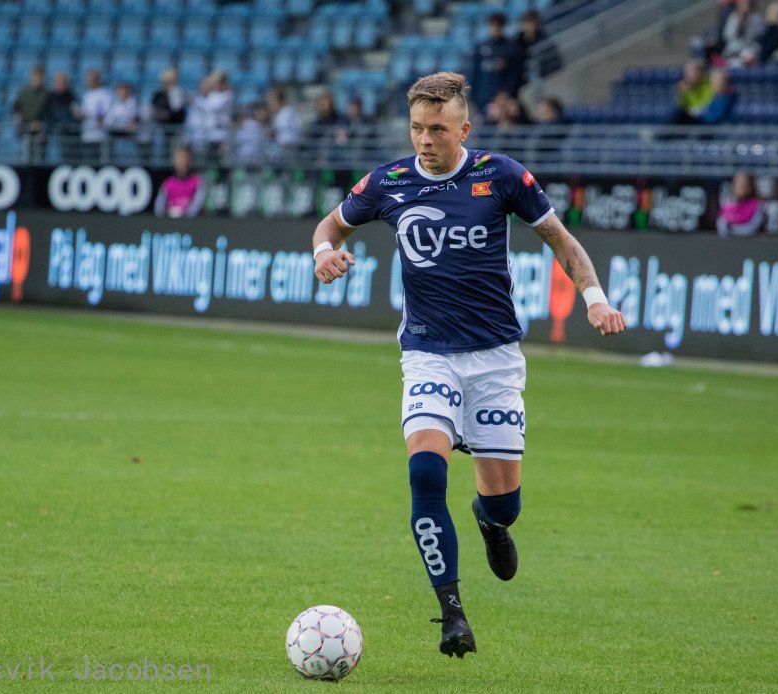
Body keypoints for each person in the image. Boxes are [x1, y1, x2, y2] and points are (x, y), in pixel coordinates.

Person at [309, 72, 626, 658]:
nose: (424, 140)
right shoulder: (389, 182)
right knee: (425, 474)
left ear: (463, 129)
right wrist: (324, 252)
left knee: (505, 502)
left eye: (436, 129)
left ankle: (489, 520)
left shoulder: (500, 175)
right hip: (427, 354)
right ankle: (452, 612)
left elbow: (561, 240)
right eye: (416, 128)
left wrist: (595, 298)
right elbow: (330, 224)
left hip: (495, 361)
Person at [469, 13, 522, 115]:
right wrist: (472, 97)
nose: (495, 29)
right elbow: (475, 73)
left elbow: (515, 74)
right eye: (492, 26)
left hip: (502, 99)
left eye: (498, 26)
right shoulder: (481, 47)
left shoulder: (511, 47)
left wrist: (509, 92)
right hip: (483, 96)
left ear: (503, 27)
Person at [513, 10, 562, 88]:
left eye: (530, 23)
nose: (528, 26)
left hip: (545, 77)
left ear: (536, 24)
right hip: (524, 79)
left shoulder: (545, 40)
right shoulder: (517, 41)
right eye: (526, 23)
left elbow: (553, 61)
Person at [154, 145, 204, 217]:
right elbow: (159, 208)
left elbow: (196, 205)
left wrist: (182, 215)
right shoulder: (167, 183)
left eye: (185, 158)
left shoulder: (197, 182)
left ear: (190, 161)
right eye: (180, 158)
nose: (182, 162)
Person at [12, 65, 49, 164]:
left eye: (40, 76)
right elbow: (16, 109)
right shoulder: (23, 93)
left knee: (39, 159)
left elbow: (50, 113)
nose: (38, 78)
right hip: (26, 128)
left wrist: (41, 125)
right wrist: (20, 120)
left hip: (41, 131)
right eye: (36, 76)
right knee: (26, 157)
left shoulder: (47, 94)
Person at [79, 69, 113, 164]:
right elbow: (85, 110)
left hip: (101, 134)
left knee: (101, 162)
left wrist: (99, 118)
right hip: (88, 133)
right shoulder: (87, 94)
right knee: (88, 161)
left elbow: (107, 111)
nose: (89, 82)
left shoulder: (105, 93)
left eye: (92, 80)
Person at [45, 71, 80, 162]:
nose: (61, 85)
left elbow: (76, 113)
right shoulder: (49, 97)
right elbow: (46, 115)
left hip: (68, 134)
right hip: (53, 132)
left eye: (63, 82)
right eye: (59, 82)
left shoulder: (71, 97)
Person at [718, 172, 766, 237]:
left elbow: (753, 228)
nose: (740, 187)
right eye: (737, 183)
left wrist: (732, 230)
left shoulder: (758, 205)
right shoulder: (728, 205)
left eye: (744, 184)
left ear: (750, 186)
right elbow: (722, 226)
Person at [151, 68, 187, 151]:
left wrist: (168, 114)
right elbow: (153, 106)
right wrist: (159, 113)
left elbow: (179, 109)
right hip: (161, 126)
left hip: (175, 127)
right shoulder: (158, 94)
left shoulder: (178, 92)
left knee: (174, 148)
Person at [670, 59, 714, 125]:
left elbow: (708, 105)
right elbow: (682, 106)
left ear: (702, 72)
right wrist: (680, 93)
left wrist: (693, 110)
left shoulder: (711, 84)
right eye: (687, 71)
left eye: (693, 70)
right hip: (690, 117)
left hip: (705, 118)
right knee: (677, 115)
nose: (689, 74)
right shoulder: (684, 86)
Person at [104, 81, 139, 161]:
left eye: (124, 91)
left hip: (129, 137)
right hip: (115, 135)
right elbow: (108, 121)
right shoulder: (114, 105)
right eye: (120, 91)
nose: (122, 94)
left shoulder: (133, 103)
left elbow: (131, 119)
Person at [268, 86, 302, 158]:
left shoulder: (288, 112)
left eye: (272, 101)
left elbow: (290, 136)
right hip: (281, 148)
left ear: (280, 101)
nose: (270, 104)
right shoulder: (279, 114)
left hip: (288, 149)